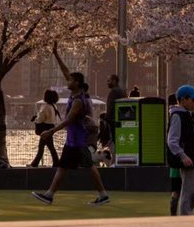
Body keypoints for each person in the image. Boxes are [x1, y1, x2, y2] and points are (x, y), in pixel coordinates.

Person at [31, 71, 110, 206]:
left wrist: (51, 131)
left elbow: (69, 120)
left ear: (77, 83)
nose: (68, 81)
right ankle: (49, 195)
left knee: (89, 166)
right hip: (72, 141)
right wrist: (56, 54)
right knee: (62, 167)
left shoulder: (78, 101)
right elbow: (66, 72)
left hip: (78, 141)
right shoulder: (74, 96)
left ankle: (103, 195)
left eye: (70, 80)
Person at [166, 84, 194, 216]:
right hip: (189, 159)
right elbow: (171, 140)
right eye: (193, 100)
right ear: (183, 100)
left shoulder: (187, 115)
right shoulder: (178, 116)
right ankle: (185, 219)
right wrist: (183, 156)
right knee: (191, 192)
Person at [29, 89, 61, 168]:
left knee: (46, 147)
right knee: (47, 146)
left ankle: (35, 163)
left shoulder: (45, 106)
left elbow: (40, 119)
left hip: (44, 128)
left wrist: (35, 119)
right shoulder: (53, 106)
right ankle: (55, 162)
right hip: (50, 127)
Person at [104, 73, 124, 153]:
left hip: (113, 120)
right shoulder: (121, 91)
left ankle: (114, 160)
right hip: (119, 120)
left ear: (114, 81)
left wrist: (106, 118)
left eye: (109, 81)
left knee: (114, 140)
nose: (107, 83)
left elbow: (110, 106)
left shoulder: (114, 92)